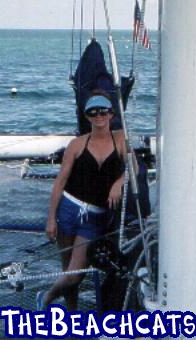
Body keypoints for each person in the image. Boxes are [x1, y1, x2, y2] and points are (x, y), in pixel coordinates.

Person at [37, 91, 127, 311]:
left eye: (103, 111)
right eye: (93, 112)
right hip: (68, 208)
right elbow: (60, 182)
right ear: (87, 116)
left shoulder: (122, 139)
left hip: (95, 217)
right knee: (67, 270)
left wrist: (118, 183)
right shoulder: (77, 144)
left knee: (75, 275)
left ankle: (45, 298)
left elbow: (134, 169)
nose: (98, 116)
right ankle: (71, 315)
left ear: (111, 114)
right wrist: (51, 219)